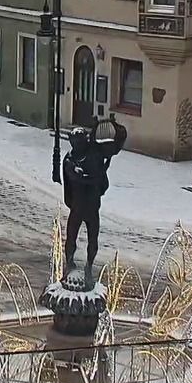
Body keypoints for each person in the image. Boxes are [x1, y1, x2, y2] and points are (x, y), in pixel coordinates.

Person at [61, 119, 128, 285]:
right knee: (72, 237)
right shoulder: (70, 162)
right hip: (81, 207)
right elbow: (82, 179)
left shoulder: (89, 156)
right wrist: (97, 178)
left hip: (87, 207)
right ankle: (70, 264)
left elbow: (102, 182)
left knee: (90, 239)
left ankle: (88, 267)